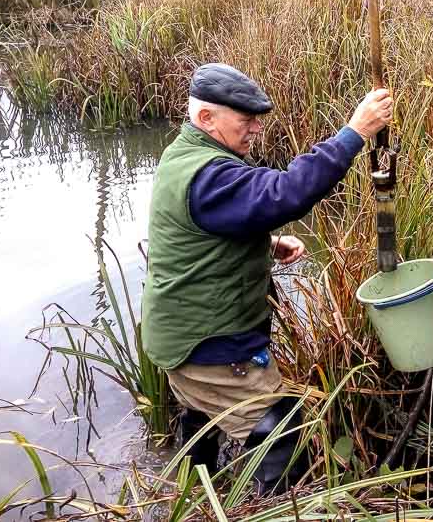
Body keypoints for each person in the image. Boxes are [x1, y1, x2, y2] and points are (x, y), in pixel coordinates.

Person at [141, 62, 392, 493]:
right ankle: (279, 504)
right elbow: (285, 193)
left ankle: (197, 492)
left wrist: (266, 243)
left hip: (179, 334)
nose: (257, 128)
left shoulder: (183, 154)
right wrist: (355, 133)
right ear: (207, 118)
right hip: (208, 344)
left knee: (202, 415)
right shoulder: (209, 174)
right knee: (279, 428)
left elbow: (196, 229)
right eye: (246, 119)